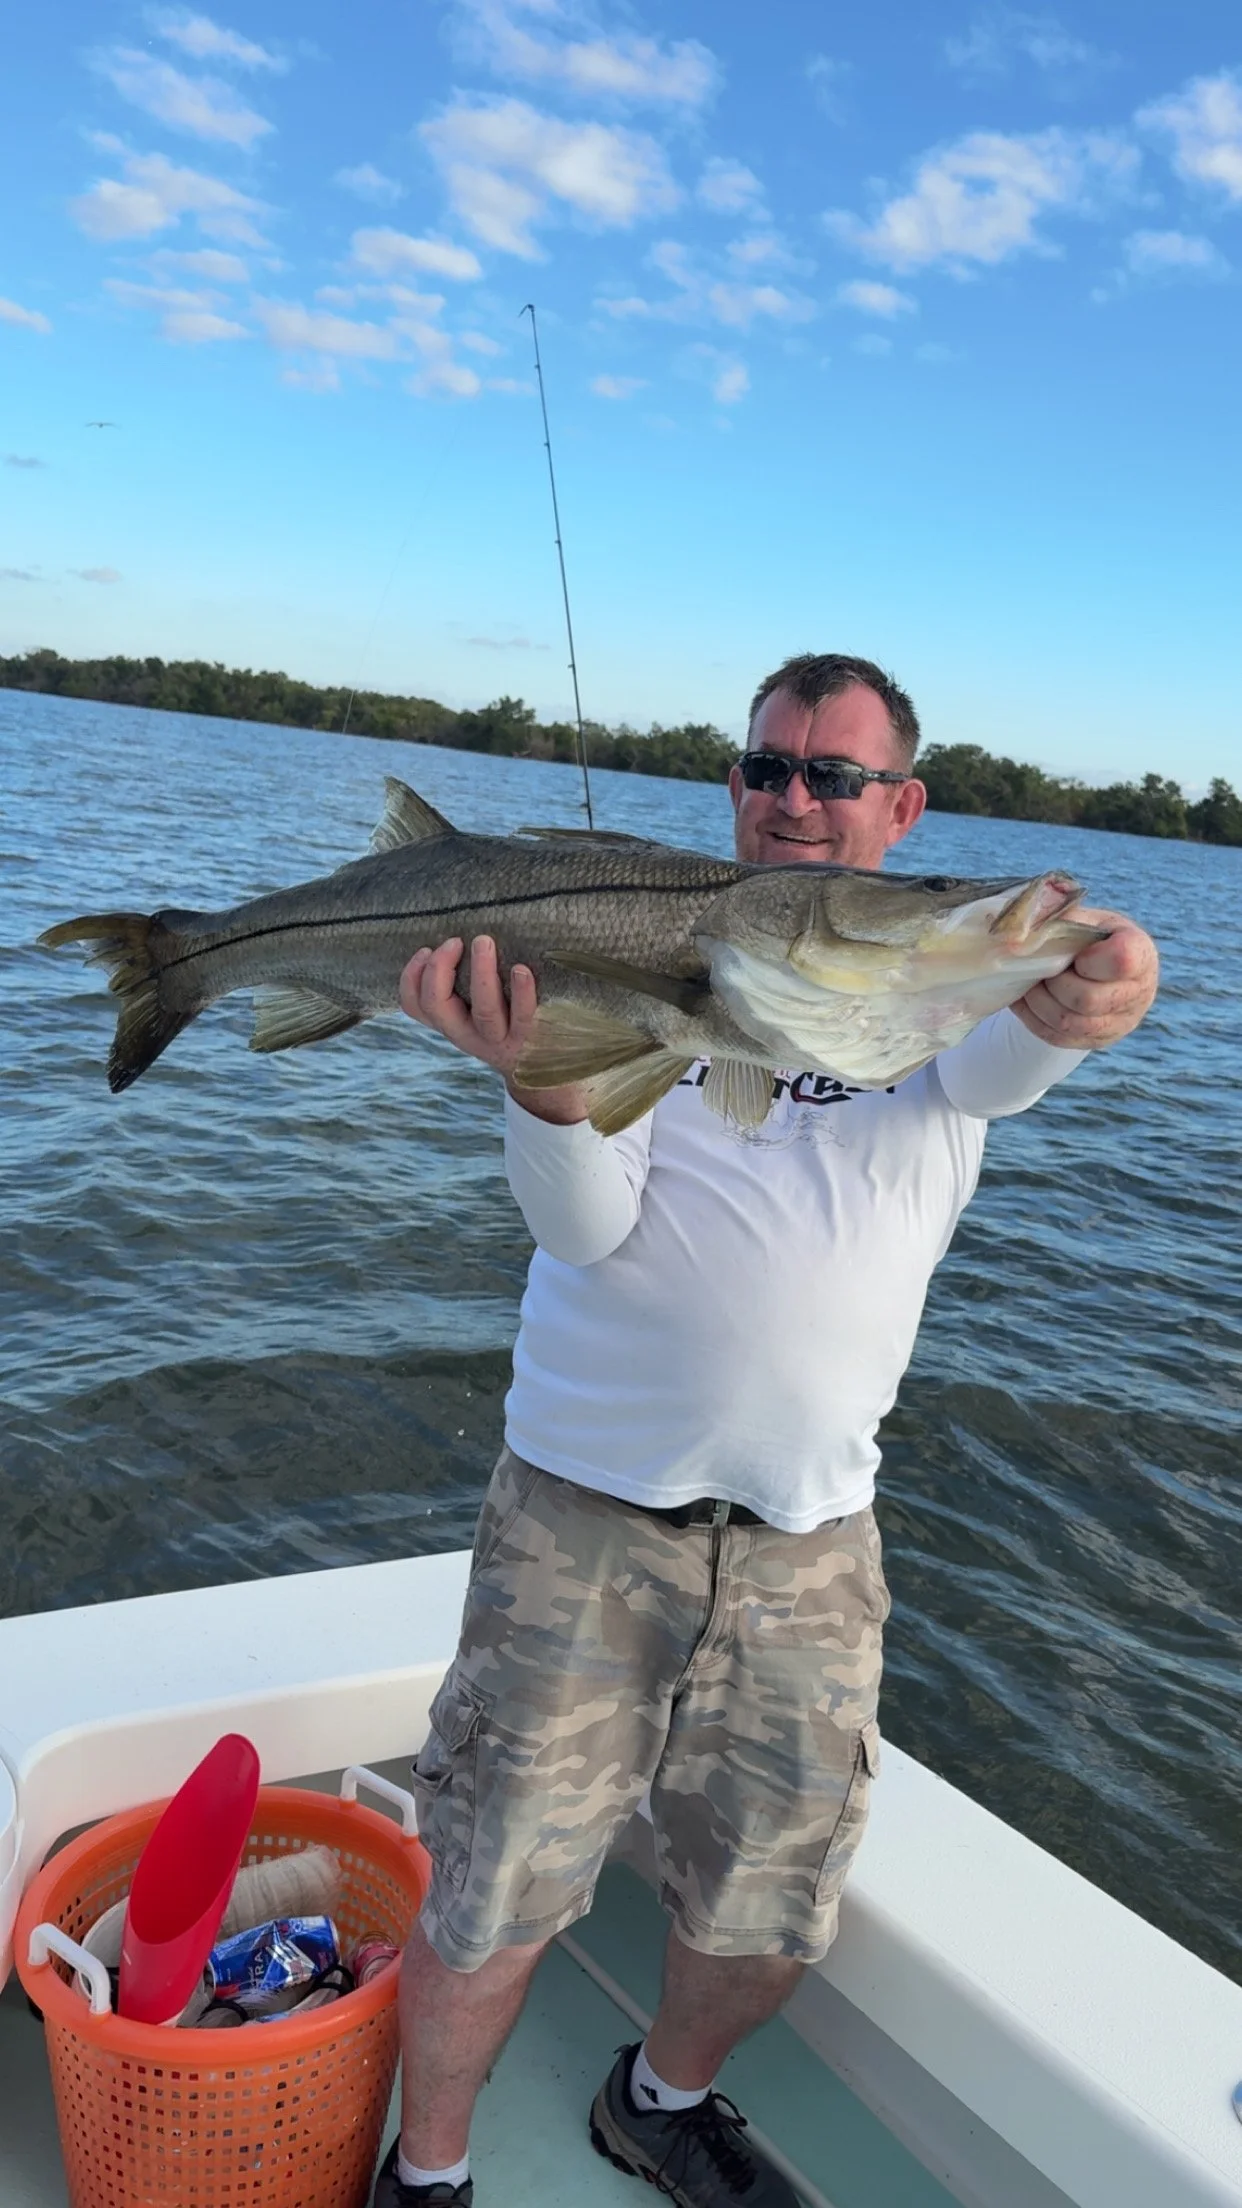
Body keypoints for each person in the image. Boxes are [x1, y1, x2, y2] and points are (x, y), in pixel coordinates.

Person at [372, 654, 1159, 2208]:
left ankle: (658, 2099)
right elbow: (582, 1235)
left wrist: (1106, 977)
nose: (793, 796)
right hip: (581, 1522)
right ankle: (431, 2174)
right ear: (735, 791)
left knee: (766, 1909)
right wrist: (536, 1088)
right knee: (491, 1893)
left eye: (834, 775)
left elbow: (1043, 1030)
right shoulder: (642, 952)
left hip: (810, 1544)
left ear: (899, 807)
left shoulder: (950, 1017)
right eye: (767, 769)